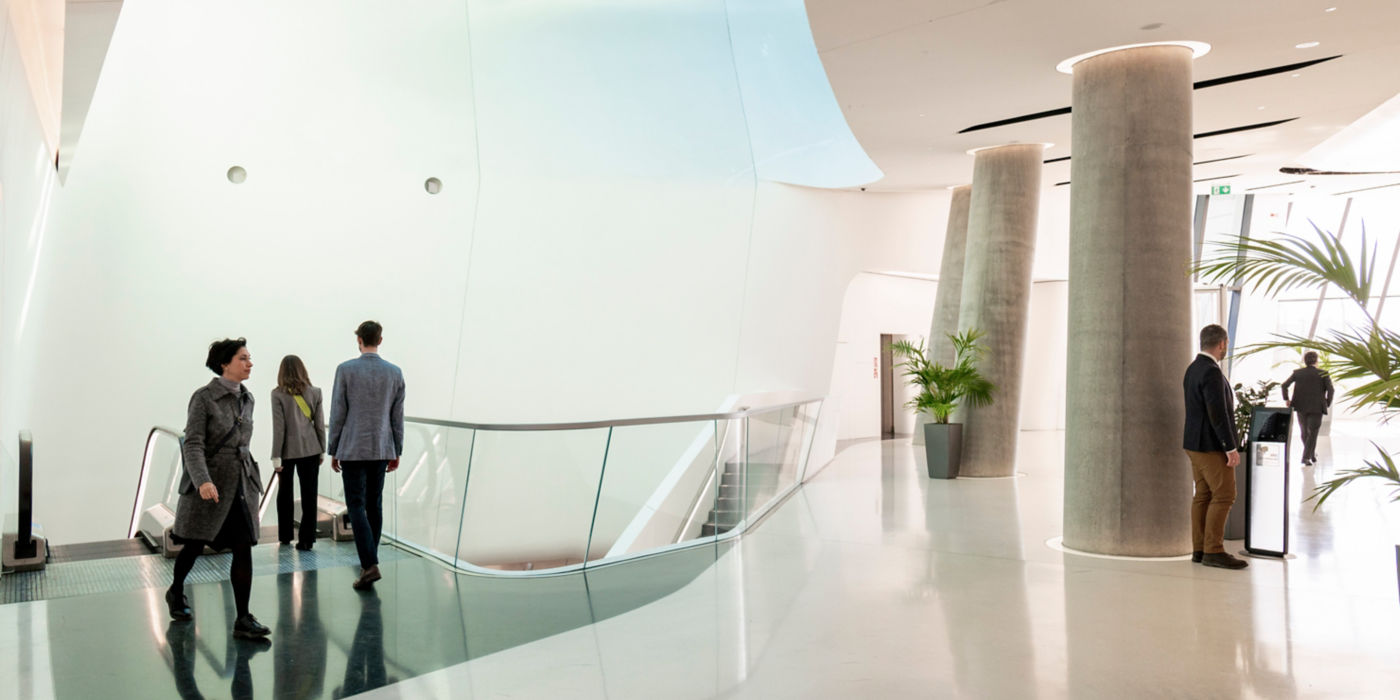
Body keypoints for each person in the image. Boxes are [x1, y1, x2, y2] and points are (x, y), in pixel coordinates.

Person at [166, 338, 273, 637]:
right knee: (194, 544)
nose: (250, 363)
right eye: (243, 358)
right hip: (211, 485)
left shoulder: (248, 398)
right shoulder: (203, 398)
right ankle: (175, 591)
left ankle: (243, 619)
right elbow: (194, 442)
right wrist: (202, 481)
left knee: (243, 547)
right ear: (225, 363)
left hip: (240, 483)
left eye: (250, 358)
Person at [328, 321, 405, 590]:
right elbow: (397, 417)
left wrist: (334, 449)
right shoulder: (394, 373)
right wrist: (397, 449)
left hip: (352, 448)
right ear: (380, 340)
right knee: (375, 504)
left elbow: (338, 413)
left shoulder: (345, 370)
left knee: (357, 505)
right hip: (382, 447)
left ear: (359, 340)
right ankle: (370, 562)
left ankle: (369, 564)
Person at [1182, 324, 1249, 570]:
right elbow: (1217, 413)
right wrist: (1230, 447)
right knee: (1224, 494)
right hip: (1211, 446)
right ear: (1221, 344)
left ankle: (1199, 549)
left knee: (1203, 495)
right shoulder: (1210, 371)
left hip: (1193, 444)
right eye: (1226, 345)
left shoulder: (1192, 369)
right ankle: (1214, 550)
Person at [270, 355, 327, 550]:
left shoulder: (277, 394)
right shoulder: (316, 392)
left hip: (286, 451)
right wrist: (322, 450)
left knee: (285, 493)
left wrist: (275, 456)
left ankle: (285, 536)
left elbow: (279, 428)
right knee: (309, 495)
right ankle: (307, 539)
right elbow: (320, 425)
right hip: (312, 449)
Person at [1281, 351, 1334, 466]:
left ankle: (1311, 454)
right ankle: (1306, 457)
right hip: (1317, 407)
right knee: (1313, 433)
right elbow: (1331, 390)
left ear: (1305, 361)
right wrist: (1327, 403)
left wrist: (1287, 399)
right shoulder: (1323, 373)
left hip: (1300, 406)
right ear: (1316, 361)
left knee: (1304, 432)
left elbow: (1284, 385)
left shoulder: (1298, 373)